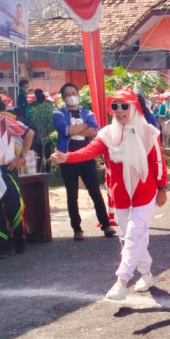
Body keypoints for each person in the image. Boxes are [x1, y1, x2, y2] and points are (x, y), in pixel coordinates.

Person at [51, 89, 168, 301]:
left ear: (134, 106)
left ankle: (121, 281)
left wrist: (162, 188)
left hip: (145, 190)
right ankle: (147, 273)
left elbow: (158, 161)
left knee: (133, 234)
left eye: (125, 106)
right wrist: (67, 157)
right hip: (120, 193)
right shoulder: (107, 133)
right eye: (115, 106)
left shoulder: (149, 131)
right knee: (128, 237)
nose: (120, 111)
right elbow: (90, 150)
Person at [52, 83, 115, 241]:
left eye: (73, 92)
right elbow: (65, 131)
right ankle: (77, 229)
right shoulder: (58, 113)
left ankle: (106, 225)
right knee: (72, 194)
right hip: (67, 158)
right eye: (67, 94)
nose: (71, 96)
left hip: (86, 157)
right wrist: (85, 125)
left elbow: (95, 131)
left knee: (95, 191)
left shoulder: (87, 112)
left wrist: (76, 128)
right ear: (63, 97)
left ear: (78, 94)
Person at [0, 92, 35, 259]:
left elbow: (29, 134)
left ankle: (19, 242)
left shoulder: (4, 121)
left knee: (13, 207)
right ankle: (4, 246)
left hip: (7, 169)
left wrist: (21, 157)